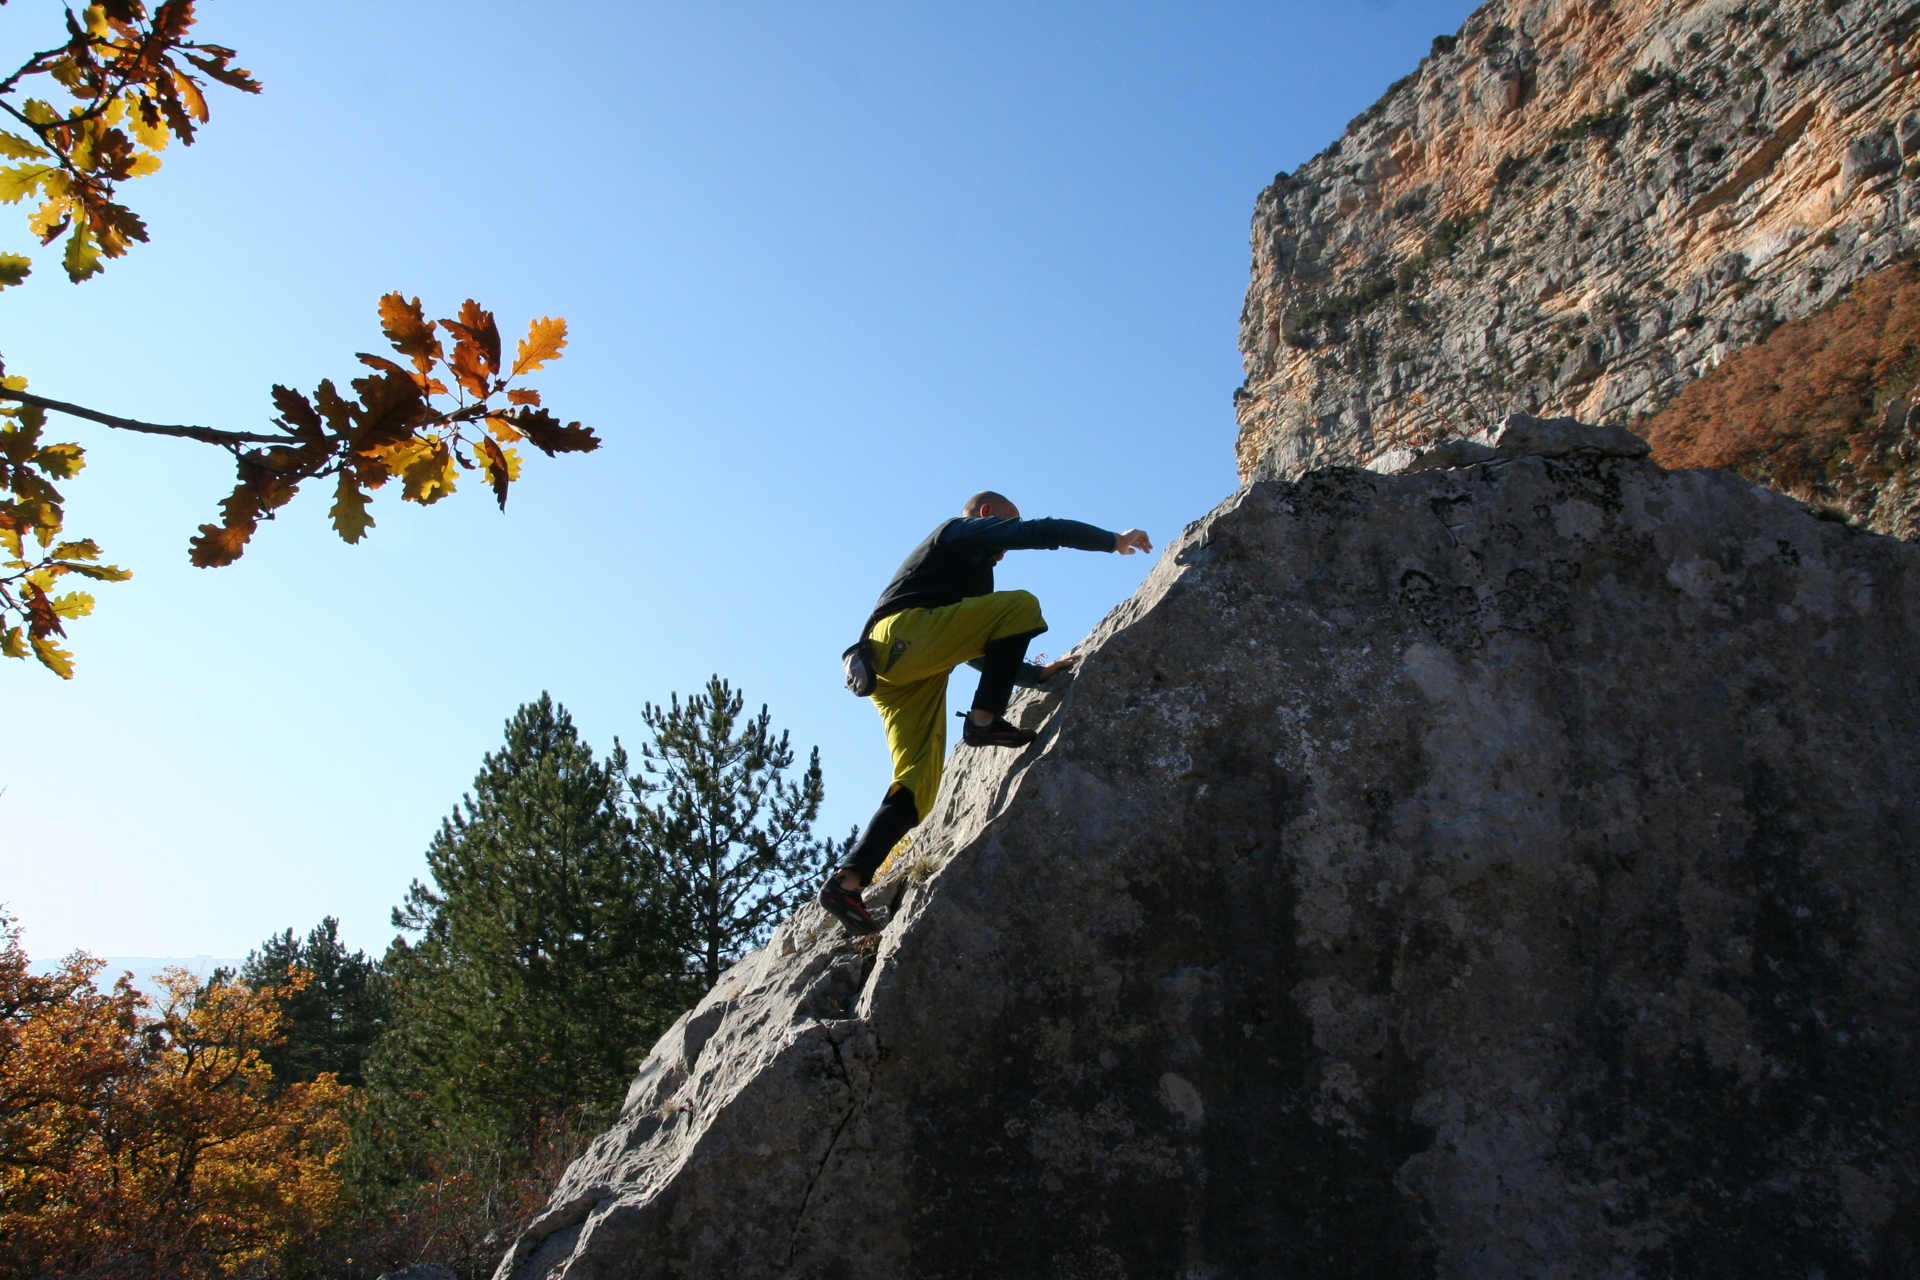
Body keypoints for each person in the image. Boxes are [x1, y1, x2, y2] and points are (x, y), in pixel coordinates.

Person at [819, 490, 1151, 934]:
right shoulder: (956, 533)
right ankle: (982, 723)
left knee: (919, 782)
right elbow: (1044, 531)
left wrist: (1036, 678)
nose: (1004, 550)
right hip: (901, 637)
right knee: (1023, 604)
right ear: (987, 514)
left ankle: (848, 880)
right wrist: (1113, 540)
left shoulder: (975, 581)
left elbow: (980, 655)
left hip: (896, 674)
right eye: (1005, 532)